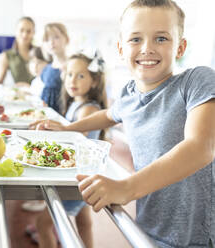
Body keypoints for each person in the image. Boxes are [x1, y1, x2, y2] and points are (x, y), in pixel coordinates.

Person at [30, 1, 215, 247]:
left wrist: (127, 188)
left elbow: (200, 147)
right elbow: (108, 114)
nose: (147, 48)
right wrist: (67, 128)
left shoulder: (196, 82)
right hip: (149, 228)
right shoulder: (129, 95)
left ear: (180, 47)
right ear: (120, 48)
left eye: (161, 38)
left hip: (196, 238)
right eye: (135, 39)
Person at [28, 51, 108, 248]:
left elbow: (77, 144)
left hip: (76, 180)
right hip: (81, 177)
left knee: (43, 223)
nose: (73, 80)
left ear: (95, 81)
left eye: (80, 75)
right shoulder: (76, 105)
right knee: (84, 222)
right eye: (69, 74)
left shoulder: (88, 110)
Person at [0, 16, 35, 87]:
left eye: (29, 31)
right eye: (21, 30)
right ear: (16, 31)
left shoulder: (40, 53)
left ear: (33, 33)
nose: (25, 35)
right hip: (19, 96)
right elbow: (0, 82)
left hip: (38, 95)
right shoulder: (7, 55)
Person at [40, 23, 69, 113]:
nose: (51, 42)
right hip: (46, 114)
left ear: (67, 39)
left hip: (62, 114)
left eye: (56, 37)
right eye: (47, 39)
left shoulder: (71, 66)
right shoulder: (46, 69)